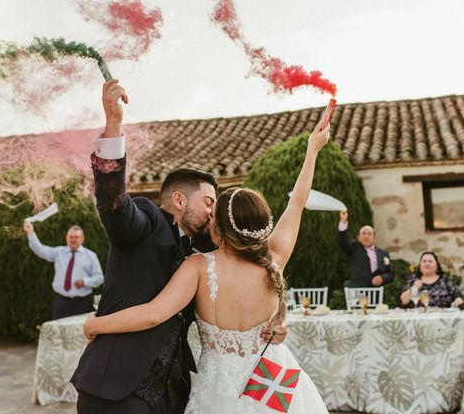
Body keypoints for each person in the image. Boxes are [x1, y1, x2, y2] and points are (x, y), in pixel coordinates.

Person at [81, 117, 331, 413]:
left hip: (216, 393)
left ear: (220, 229)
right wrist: (312, 151)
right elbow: (297, 203)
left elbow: (154, 314)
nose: (209, 214)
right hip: (268, 384)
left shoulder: (199, 266)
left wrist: (95, 323)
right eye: (208, 204)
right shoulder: (273, 261)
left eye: (214, 211)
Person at [23, 222, 103, 320]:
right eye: (71, 237)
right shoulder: (58, 252)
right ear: (66, 238)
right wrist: (30, 232)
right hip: (61, 302)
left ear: (82, 239)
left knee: (81, 333)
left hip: (83, 303)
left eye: (76, 237)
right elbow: (40, 249)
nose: (73, 239)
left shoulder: (91, 256)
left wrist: (85, 282)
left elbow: (99, 278)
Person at [337, 211, 394, 288]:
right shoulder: (353, 249)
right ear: (359, 238)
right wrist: (343, 221)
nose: (366, 236)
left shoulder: (383, 254)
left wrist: (382, 278)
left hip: (375, 293)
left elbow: (390, 274)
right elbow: (342, 241)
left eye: (369, 234)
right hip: (357, 291)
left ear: (374, 239)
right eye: (363, 234)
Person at [399, 251, 464, 308]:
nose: (427, 264)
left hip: (443, 317)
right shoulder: (413, 279)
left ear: (436, 266)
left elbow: (458, 296)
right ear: (420, 266)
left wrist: (458, 301)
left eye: (430, 261)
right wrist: (414, 288)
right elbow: (404, 301)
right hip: (419, 318)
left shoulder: (445, 279)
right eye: (424, 261)